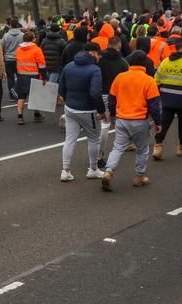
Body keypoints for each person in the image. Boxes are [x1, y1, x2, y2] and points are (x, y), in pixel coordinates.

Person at [101, 51, 162, 191]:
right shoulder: (149, 80)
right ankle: (139, 177)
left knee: (117, 148)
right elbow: (154, 105)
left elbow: (111, 99)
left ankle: (108, 171)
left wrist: (114, 114)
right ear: (145, 64)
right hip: (140, 121)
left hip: (122, 119)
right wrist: (158, 123)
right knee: (142, 149)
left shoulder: (120, 77)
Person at [58, 42, 106, 182]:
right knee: (94, 138)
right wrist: (101, 110)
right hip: (88, 110)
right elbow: (95, 93)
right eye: (98, 54)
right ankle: (93, 169)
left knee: (69, 139)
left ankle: (65, 171)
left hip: (70, 108)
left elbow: (61, 89)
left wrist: (69, 101)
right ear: (93, 53)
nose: (99, 57)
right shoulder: (94, 69)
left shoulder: (69, 66)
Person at [152, 37, 182, 160]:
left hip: (166, 99)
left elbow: (157, 80)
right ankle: (181, 147)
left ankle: (158, 147)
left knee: (164, 123)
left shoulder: (166, 61)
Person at [97, 36, 129, 168]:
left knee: (101, 125)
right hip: (115, 95)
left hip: (99, 94)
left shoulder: (99, 59)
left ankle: (98, 155)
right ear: (119, 45)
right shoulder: (122, 62)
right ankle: (102, 155)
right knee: (111, 124)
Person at [15, 31, 47, 125]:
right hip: (34, 75)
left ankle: (20, 117)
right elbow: (41, 65)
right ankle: (36, 115)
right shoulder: (37, 50)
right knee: (35, 96)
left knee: (21, 97)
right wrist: (44, 77)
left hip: (21, 76)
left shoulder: (18, 50)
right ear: (33, 39)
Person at [1, 18, 24, 101]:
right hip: (19, 59)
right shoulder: (22, 35)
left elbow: (2, 47)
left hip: (8, 59)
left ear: (10, 25)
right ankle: (19, 93)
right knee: (20, 77)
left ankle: (12, 96)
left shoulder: (6, 35)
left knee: (10, 78)